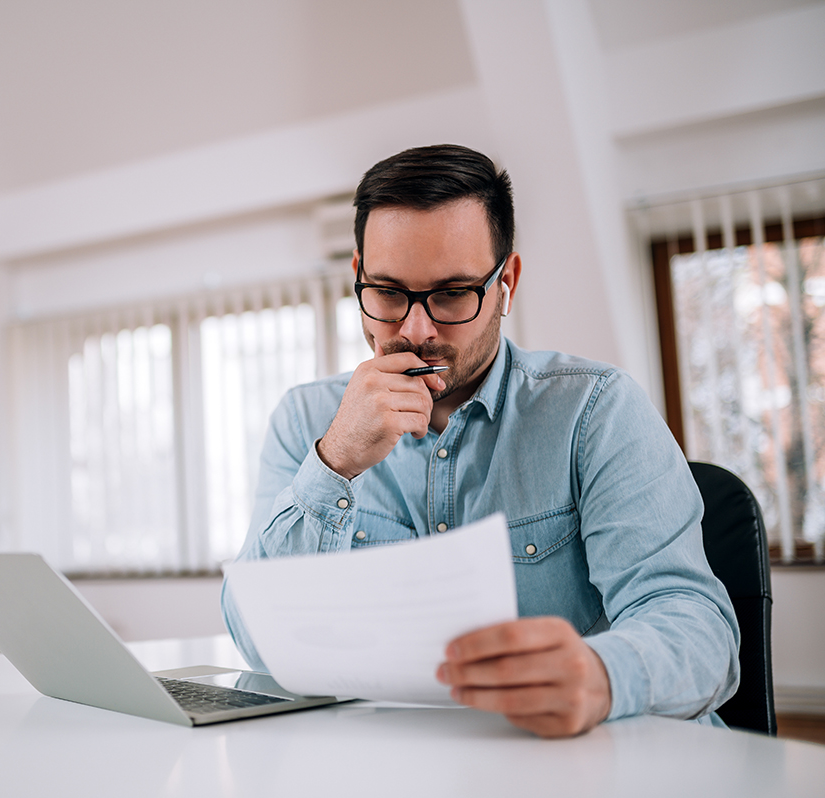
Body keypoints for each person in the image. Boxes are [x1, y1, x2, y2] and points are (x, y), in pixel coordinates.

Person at [220, 144, 740, 739]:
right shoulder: (306, 420)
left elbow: (702, 633)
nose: (415, 330)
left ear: (505, 284)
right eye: (387, 292)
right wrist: (334, 462)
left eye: (450, 295)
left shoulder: (596, 410)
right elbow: (256, 643)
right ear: (358, 275)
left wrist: (601, 675)